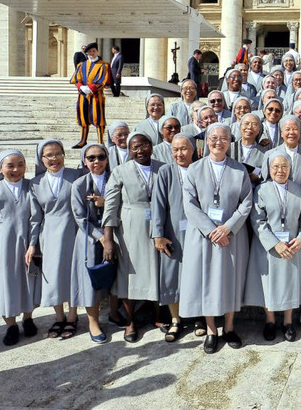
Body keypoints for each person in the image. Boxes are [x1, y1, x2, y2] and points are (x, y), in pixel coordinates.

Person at [179, 123, 253, 353]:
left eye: (223, 138)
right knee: (207, 281)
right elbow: (189, 204)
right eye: (213, 137)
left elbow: (246, 203)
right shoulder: (194, 169)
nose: (218, 142)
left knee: (230, 281)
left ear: (230, 142)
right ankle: (211, 330)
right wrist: (212, 230)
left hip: (231, 236)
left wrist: (228, 228)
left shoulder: (239, 170)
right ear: (206, 141)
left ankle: (229, 328)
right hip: (204, 236)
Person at [102, 132, 164, 342]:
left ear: (151, 145)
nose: (140, 151)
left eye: (144, 145)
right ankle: (130, 322)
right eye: (134, 147)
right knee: (128, 275)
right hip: (130, 229)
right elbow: (110, 207)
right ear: (129, 150)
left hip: (158, 225)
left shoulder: (162, 167)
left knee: (157, 270)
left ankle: (158, 316)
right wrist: (108, 239)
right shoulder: (120, 171)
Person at [245, 153, 301, 342]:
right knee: (268, 284)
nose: (280, 171)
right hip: (268, 247)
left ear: (290, 169)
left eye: (284, 167)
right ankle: (270, 321)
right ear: (269, 169)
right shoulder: (262, 190)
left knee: (290, 281)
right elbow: (257, 220)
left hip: (292, 245)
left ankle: (288, 322)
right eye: (276, 167)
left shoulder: (298, 189)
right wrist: (275, 244)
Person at [0, 150, 38, 345]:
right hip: (3, 245)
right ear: (0, 168)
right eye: (10, 165)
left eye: (20, 164)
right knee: (7, 284)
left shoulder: (32, 187)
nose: (16, 169)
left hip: (29, 242)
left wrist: (35, 243)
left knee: (29, 281)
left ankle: (28, 318)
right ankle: (11, 325)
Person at [29, 139, 80, 339]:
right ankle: (59, 317)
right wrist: (33, 244)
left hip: (72, 231)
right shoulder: (35, 183)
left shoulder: (75, 175)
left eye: (58, 153)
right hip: (48, 234)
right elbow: (35, 217)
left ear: (63, 155)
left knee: (72, 274)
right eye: (49, 155)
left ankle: (73, 316)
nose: (54, 158)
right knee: (53, 276)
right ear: (41, 159)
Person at [69, 143, 118, 343]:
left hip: (116, 232)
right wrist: (102, 238)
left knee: (117, 275)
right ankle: (93, 322)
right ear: (84, 161)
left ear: (107, 159)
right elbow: (80, 217)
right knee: (91, 279)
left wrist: (105, 203)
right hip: (90, 237)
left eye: (100, 157)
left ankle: (114, 312)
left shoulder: (115, 178)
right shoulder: (79, 185)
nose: (96, 161)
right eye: (91, 158)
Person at [150, 134, 196, 343]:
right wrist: (158, 234)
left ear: (192, 150)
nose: (180, 153)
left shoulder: (199, 169)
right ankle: (176, 319)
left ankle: (199, 317)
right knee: (171, 275)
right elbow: (157, 205)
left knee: (197, 275)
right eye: (175, 150)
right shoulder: (165, 172)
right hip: (173, 234)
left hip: (198, 233)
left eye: (184, 149)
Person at [70, 42, 111, 148]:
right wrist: (81, 87)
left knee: (99, 118)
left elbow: (104, 80)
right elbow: (75, 79)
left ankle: (101, 141)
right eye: (89, 52)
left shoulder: (103, 65)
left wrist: (91, 88)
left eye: (93, 51)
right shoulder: (81, 65)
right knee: (83, 118)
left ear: (97, 51)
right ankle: (83, 140)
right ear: (87, 53)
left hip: (96, 95)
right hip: (82, 95)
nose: (91, 53)